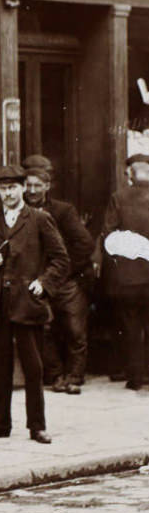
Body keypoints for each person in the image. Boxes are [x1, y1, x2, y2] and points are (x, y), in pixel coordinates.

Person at [0, 165, 69, 443]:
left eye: (13, 188)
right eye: (3, 188)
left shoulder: (39, 219)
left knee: (33, 368)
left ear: (23, 188)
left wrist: (44, 283)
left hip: (28, 303)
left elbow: (61, 260)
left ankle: (37, 426)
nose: (8, 193)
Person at [22, 155, 95, 395]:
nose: (32, 190)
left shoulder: (63, 211)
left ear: (47, 186)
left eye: (37, 186)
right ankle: (54, 375)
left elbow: (84, 244)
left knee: (75, 329)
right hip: (36, 282)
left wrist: (64, 271)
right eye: (28, 185)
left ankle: (74, 376)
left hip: (65, 281)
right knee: (43, 329)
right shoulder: (18, 211)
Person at [100, 151, 149, 392]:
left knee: (131, 327)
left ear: (130, 174)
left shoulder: (118, 198)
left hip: (129, 278)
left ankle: (135, 377)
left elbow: (109, 236)